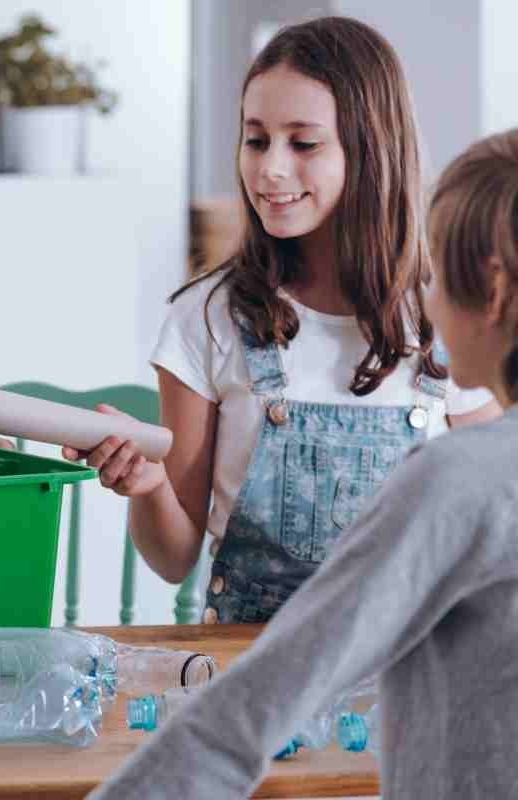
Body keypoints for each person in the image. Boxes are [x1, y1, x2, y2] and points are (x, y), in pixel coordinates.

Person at [87, 127, 518, 800]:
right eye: (254, 139)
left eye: (440, 270)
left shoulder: (458, 479)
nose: (427, 298)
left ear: (490, 292)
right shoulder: (210, 316)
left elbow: (248, 715)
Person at [66, 16, 499, 623]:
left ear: (371, 150)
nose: (269, 169)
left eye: (303, 143)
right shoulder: (208, 318)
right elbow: (171, 557)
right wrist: (147, 485)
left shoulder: (442, 318)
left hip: (403, 673)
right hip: (250, 673)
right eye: (255, 139)